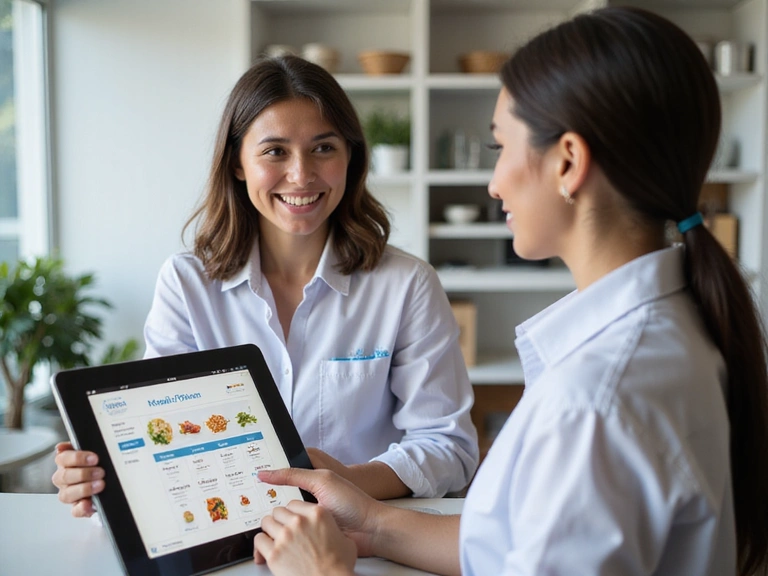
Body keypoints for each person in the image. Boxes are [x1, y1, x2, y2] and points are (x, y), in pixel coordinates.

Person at [245, 8, 768, 576]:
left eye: (500, 148)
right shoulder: (680, 329)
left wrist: (322, 572)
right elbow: (520, 540)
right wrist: (372, 523)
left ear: (568, 162)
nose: (494, 183)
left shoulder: (593, 403)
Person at [52, 55, 479, 514]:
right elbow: (163, 432)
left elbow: (448, 447)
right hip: (225, 536)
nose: (301, 175)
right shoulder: (186, 284)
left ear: (350, 157)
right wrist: (102, 476)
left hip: (365, 538)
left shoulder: (407, 285)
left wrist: (343, 483)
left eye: (324, 148)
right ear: (237, 163)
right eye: (275, 151)